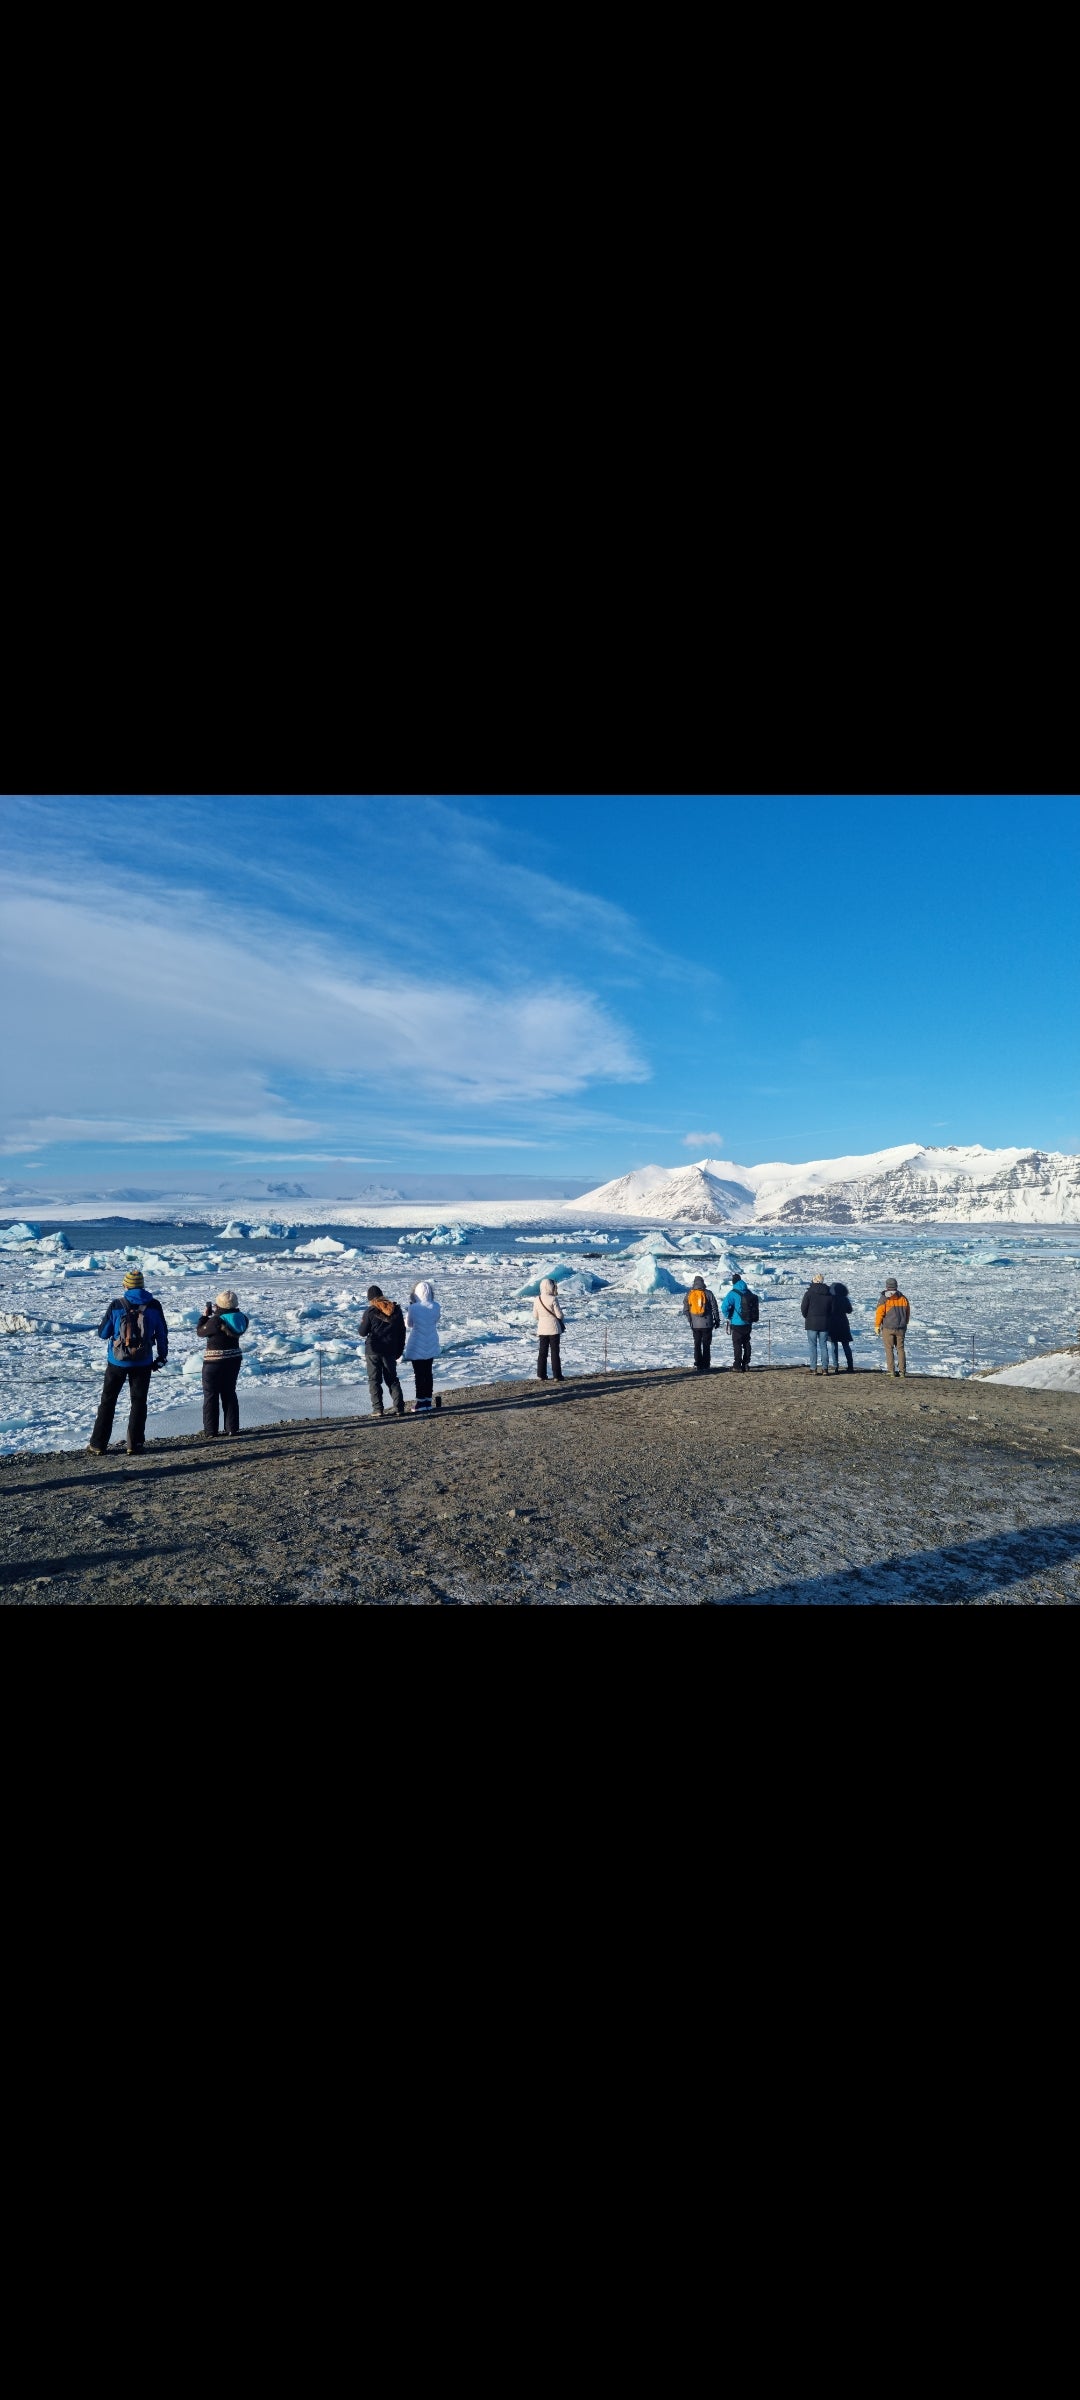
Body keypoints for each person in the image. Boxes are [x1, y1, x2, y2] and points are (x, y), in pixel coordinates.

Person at [88, 1267, 169, 1455]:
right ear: (142, 1285)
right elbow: (162, 1333)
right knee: (139, 1402)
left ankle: (98, 1444)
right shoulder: (154, 1305)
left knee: (108, 1401)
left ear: (126, 1285)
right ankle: (135, 1444)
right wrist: (162, 1357)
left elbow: (103, 1333)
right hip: (143, 1362)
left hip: (117, 1362)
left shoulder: (117, 1304)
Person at [197, 1288, 250, 1437]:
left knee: (210, 1395)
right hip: (234, 1359)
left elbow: (200, 1332)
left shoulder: (216, 1320)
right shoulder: (243, 1318)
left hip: (214, 1361)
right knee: (229, 1392)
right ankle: (232, 1428)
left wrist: (204, 1316)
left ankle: (211, 1430)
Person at [359, 1285, 407, 1416]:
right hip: (390, 1350)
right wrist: (399, 1350)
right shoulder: (396, 1310)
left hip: (373, 1350)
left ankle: (377, 1409)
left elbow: (362, 1332)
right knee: (392, 1379)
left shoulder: (370, 1311)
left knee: (374, 1380)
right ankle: (399, 1408)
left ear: (370, 1299)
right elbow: (402, 1332)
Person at [403, 1277, 442, 1413]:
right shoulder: (436, 1306)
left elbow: (409, 1324)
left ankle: (420, 1402)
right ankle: (427, 1401)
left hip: (417, 1342)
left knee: (419, 1374)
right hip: (431, 1341)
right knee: (428, 1372)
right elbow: (435, 1320)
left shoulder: (413, 1307)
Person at [683, 1274, 720, 1371]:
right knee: (706, 1345)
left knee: (697, 1344)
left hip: (695, 1325)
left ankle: (698, 1364)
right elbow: (714, 1308)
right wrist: (717, 1320)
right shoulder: (708, 1293)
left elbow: (686, 1310)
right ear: (703, 1283)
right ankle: (706, 1364)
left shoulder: (689, 1294)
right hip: (707, 1324)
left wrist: (690, 1320)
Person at [875, 1278, 911, 1378]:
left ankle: (891, 1371)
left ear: (887, 1286)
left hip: (888, 1328)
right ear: (896, 1286)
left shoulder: (884, 1298)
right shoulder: (903, 1298)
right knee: (900, 1349)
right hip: (901, 1328)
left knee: (889, 1349)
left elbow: (879, 1313)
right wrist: (905, 1324)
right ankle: (902, 1371)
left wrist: (877, 1326)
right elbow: (907, 1313)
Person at [533, 1277, 566, 1380]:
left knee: (542, 1352)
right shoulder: (553, 1299)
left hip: (542, 1329)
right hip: (553, 1328)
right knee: (555, 1352)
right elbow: (559, 1315)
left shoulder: (537, 1299)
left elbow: (535, 1315)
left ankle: (541, 1374)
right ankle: (557, 1375)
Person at [721, 1272, 755, 1372]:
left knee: (737, 1344)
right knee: (746, 1343)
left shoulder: (733, 1293)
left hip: (737, 1323)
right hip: (748, 1322)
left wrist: (728, 1315)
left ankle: (737, 1365)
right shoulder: (748, 1292)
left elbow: (724, 1307)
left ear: (733, 1282)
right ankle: (746, 1364)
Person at [801, 1272, 834, 1374]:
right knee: (823, 1345)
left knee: (813, 1346)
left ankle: (813, 1368)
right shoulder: (829, 1294)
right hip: (824, 1323)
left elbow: (803, 1308)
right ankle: (825, 1369)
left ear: (813, 1280)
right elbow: (832, 1309)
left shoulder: (809, 1293)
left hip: (811, 1322)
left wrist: (807, 1316)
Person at [828, 1281, 855, 1373]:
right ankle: (850, 1366)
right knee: (846, 1345)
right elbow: (849, 1310)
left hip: (832, 1324)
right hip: (843, 1323)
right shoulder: (844, 1299)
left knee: (834, 1345)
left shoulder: (830, 1298)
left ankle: (835, 1366)